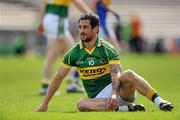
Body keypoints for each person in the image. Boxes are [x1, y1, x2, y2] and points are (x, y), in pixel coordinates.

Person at [36, 13, 173, 112]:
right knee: (81, 103)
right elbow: (58, 77)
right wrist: (45, 103)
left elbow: (116, 74)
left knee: (128, 74)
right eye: (80, 27)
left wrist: (114, 94)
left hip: (119, 91)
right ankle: (126, 109)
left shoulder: (107, 48)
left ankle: (160, 102)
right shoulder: (74, 52)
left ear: (95, 29)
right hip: (98, 100)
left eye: (85, 27)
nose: (82, 31)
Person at [37, 0, 92, 95]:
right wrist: (91, 14)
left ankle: (71, 85)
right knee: (53, 54)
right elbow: (76, 2)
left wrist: (41, 22)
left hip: (53, 20)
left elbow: (43, 4)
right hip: (58, 20)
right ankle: (45, 87)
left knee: (71, 51)